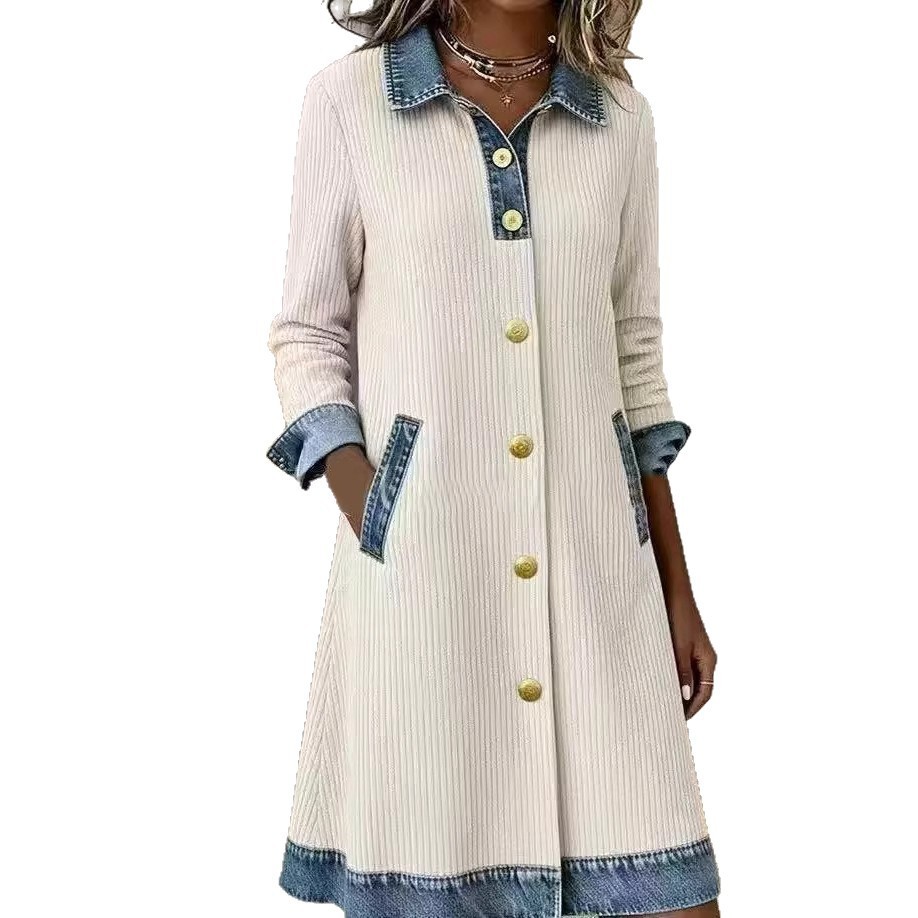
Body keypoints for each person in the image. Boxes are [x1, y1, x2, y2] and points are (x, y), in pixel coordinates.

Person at [265, 1, 720, 915]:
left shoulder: (620, 119)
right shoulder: (350, 103)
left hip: (600, 579)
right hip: (428, 585)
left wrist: (676, 587)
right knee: (446, 863)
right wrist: (377, 509)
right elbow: (307, 331)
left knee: (668, 888)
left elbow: (634, 356)